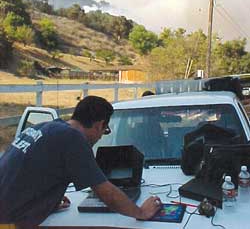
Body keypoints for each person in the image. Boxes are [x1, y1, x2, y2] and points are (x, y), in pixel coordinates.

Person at [0, 96, 161, 228]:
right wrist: (141, 212)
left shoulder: (45, 128)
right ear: (99, 125)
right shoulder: (73, 139)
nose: (99, 138)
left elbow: (21, 171)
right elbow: (106, 192)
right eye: (105, 131)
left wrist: (47, 202)